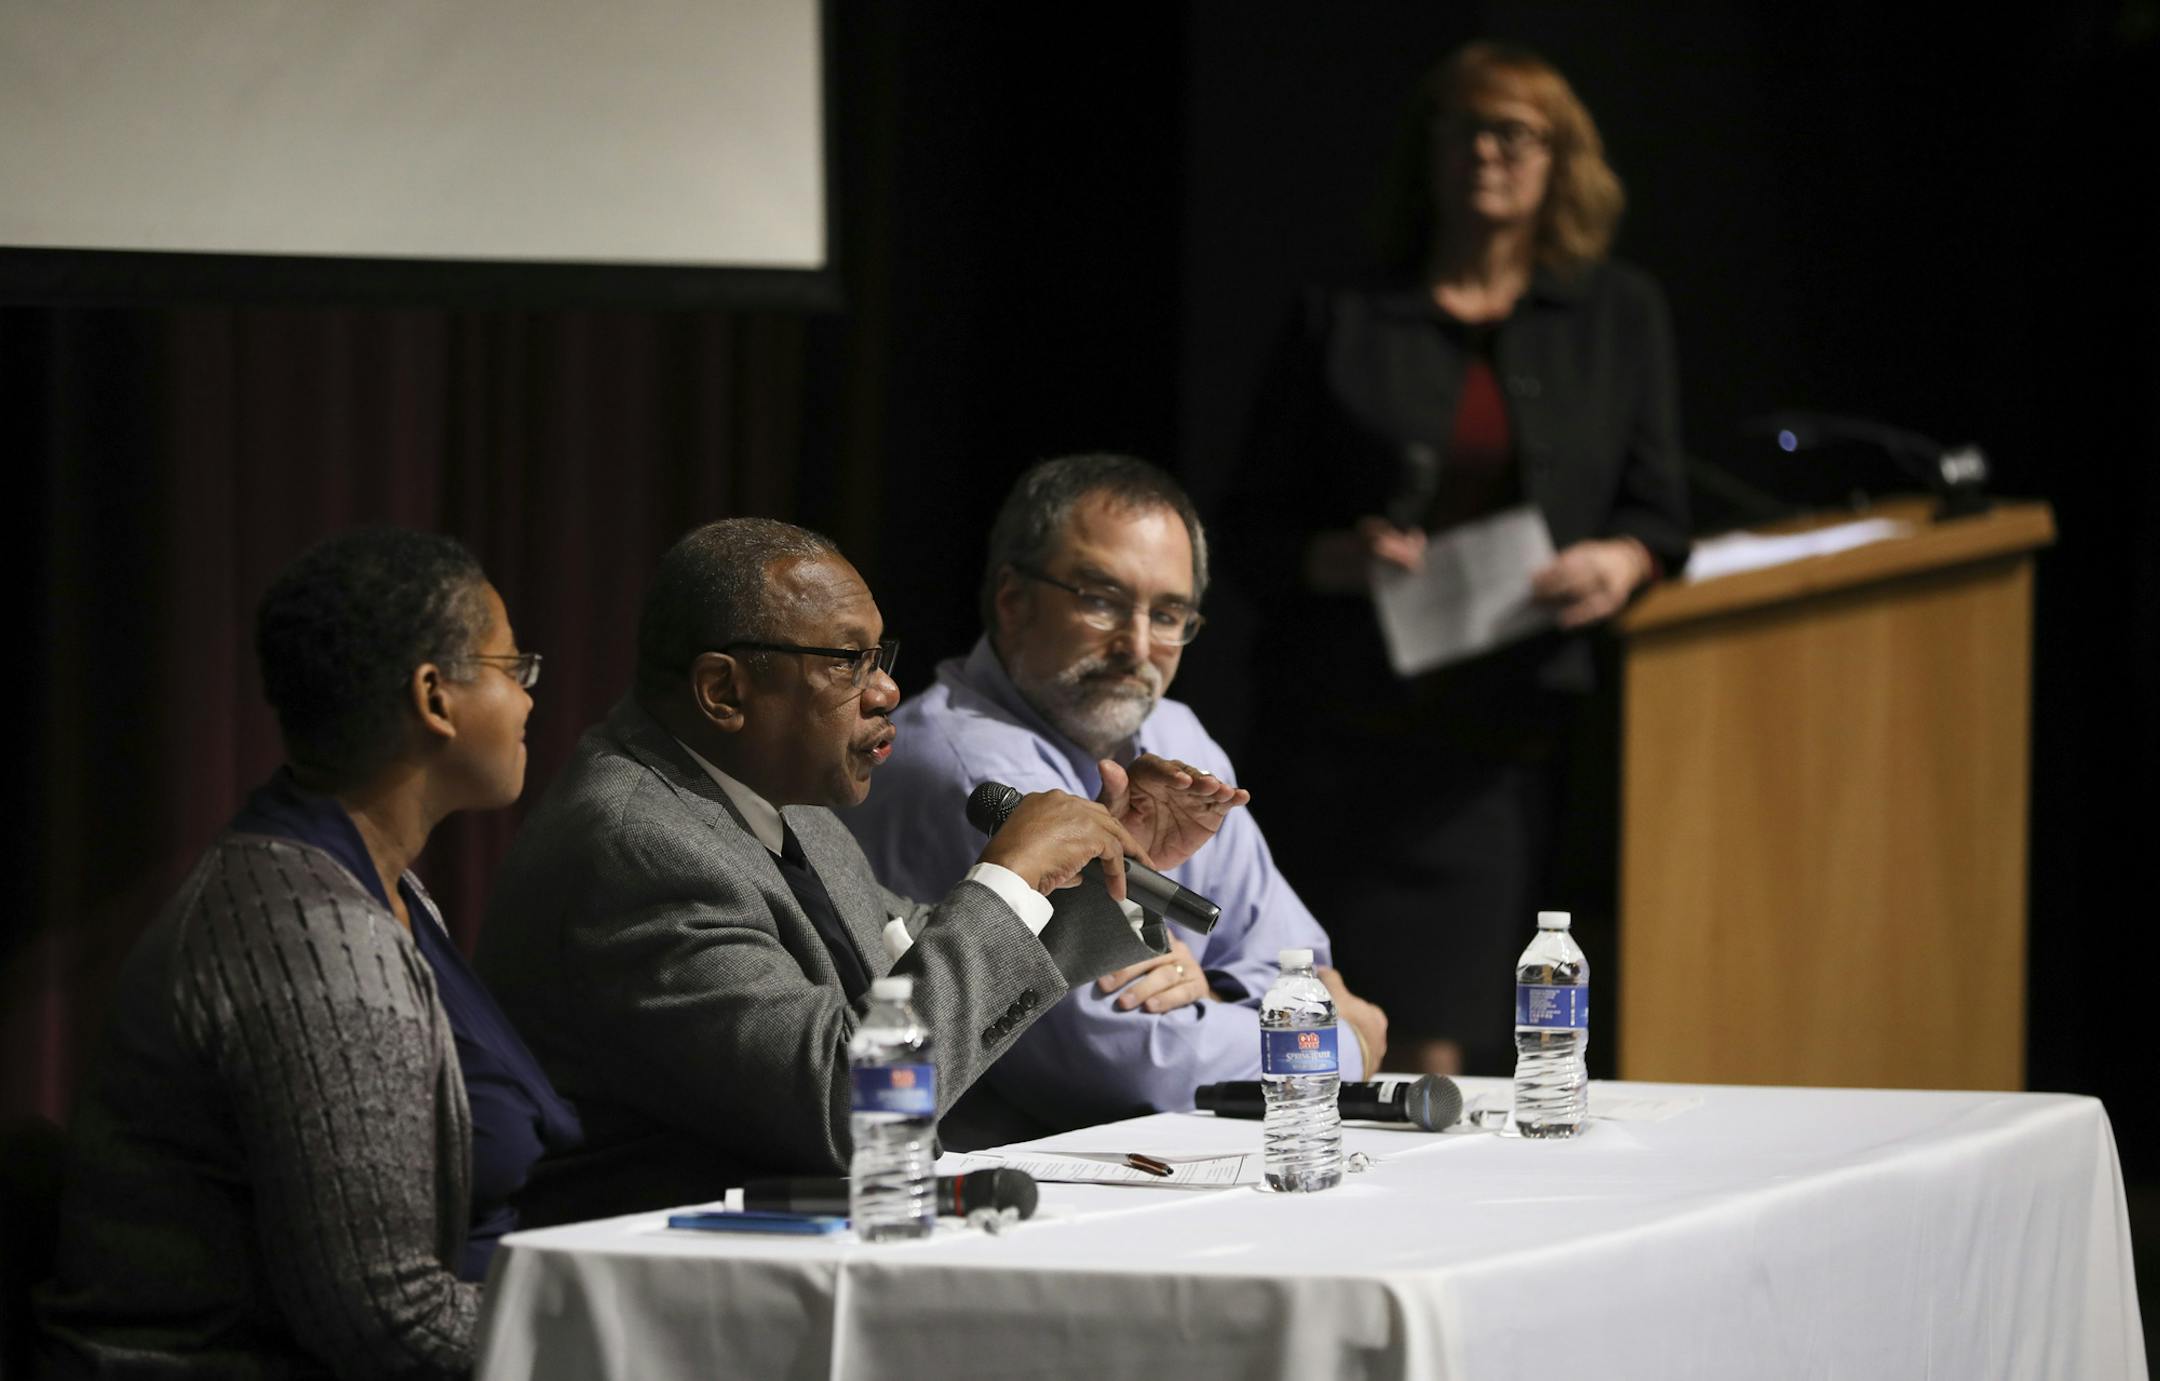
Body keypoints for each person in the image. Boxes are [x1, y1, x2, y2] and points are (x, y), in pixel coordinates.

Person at [476, 517, 1243, 1223]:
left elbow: (912, 963)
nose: (884, 691)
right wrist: (1006, 875)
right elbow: (854, 1100)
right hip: (674, 1280)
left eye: (881, 657)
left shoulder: (785, 800)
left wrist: (1113, 855)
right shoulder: (635, 843)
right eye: (848, 661)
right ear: (722, 690)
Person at [1221, 41, 1691, 1076]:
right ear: (1427, 152)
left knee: (1442, 1030)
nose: (1489, 152)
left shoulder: (1616, 317)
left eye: (1516, 133)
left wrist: (1617, 562)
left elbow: (1660, 514)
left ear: (1560, 159)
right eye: (1466, 129)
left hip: (1500, 737)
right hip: (1341, 727)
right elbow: (1248, 529)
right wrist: (1335, 556)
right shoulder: (1339, 315)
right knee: (1317, 1009)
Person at [38, 527, 577, 1378]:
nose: (531, 700)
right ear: (436, 698)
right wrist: (628, 1341)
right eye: (515, 670)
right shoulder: (319, 939)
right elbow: (386, 1319)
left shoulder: (379, 892)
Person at [847, 454, 1389, 1139]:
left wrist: (1213, 991)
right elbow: (1121, 1059)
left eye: (1168, 614)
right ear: (1013, 601)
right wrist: (1344, 1046)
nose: (1137, 646)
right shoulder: (966, 771)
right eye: (1101, 600)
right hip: (1001, 1187)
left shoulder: (1174, 732)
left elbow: (1301, 964)